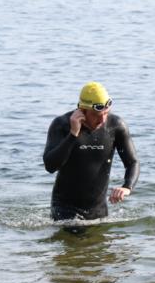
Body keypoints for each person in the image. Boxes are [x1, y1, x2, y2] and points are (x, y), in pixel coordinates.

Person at [43, 82, 139, 221]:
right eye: (96, 115)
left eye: (106, 113)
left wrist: (127, 187)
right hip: (64, 211)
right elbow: (50, 166)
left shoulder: (116, 126)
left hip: (99, 211)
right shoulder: (61, 125)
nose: (102, 119)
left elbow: (132, 162)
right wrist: (73, 134)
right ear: (82, 110)